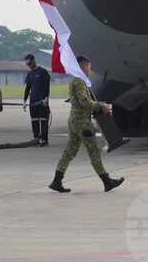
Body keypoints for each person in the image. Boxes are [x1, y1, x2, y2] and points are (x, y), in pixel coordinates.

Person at [48, 56, 124, 194]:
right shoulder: (80, 81)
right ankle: (107, 181)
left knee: (69, 152)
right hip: (83, 124)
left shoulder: (75, 81)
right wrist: (101, 105)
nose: (90, 70)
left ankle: (56, 181)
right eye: (89, 67)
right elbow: (85, 102)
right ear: (83, 67)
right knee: (94, 152)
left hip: (74, 122)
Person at [23, 53, 51, 146]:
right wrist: (24, 100)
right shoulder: (30, 74)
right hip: (33, 101)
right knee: (34, 120)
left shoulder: (43, 72)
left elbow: (47, 86)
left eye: (29, 63)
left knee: (43, 120)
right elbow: (27, 88)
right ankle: (36, 138)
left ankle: (44, 139)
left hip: (42, 100)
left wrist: (46, 98)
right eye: (27, 64)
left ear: (34, 60)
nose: (29, 66)